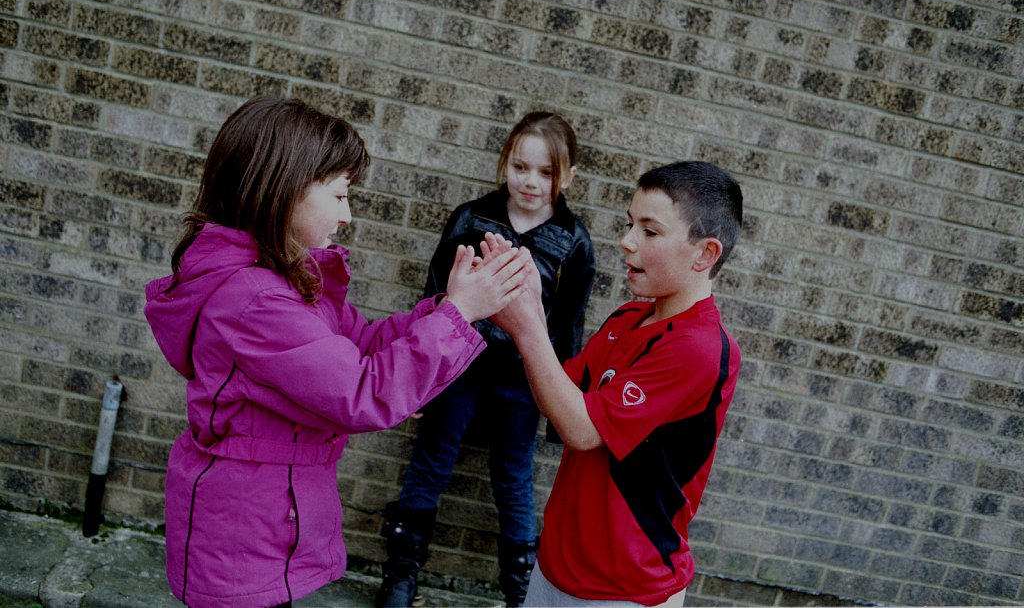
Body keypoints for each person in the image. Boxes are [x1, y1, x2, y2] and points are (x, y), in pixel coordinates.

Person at [144, 95, 534, 608]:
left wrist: (447, 308)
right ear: (282, 189)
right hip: (243, 539)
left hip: (258, 528)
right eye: (339, 194)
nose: (347, 215)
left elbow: (363, 346)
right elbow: (362, 391)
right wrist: (458, 316)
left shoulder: (279, 281)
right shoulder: (255, 300)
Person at [491, 160, 744, 607]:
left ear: (705, 254)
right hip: (557, 567)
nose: (626, 242)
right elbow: (558, 396)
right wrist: (527, 301)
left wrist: (528, 326)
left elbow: (583, 429)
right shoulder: (630, 317)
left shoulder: (700, 348)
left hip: (625, 590)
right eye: (630, 224)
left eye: (649, 231)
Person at [376, 112, 596, 607]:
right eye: (521, 166)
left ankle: (521, 593)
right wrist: (418, 377)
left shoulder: (574, 242)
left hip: (522, 381)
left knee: (514, 479)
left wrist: (562, 410)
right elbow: (435, 297)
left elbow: (568, 326)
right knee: (429, 465)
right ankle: (401, 576)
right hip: (458, 367)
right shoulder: (471, 218)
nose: (531, 182)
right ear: (505, 163)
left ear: (569, 175)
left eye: (547, 172)